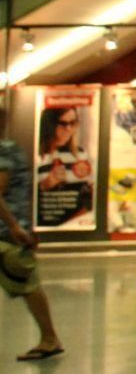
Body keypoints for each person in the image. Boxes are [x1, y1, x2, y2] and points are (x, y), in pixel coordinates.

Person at [0, 135, 62, 362]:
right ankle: (49, 338)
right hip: (13, 228)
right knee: (28, 283)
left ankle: (49, 338)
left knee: (27, 283)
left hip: (6, 230)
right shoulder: (12, 148)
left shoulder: (3, 151)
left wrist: (14, 226)